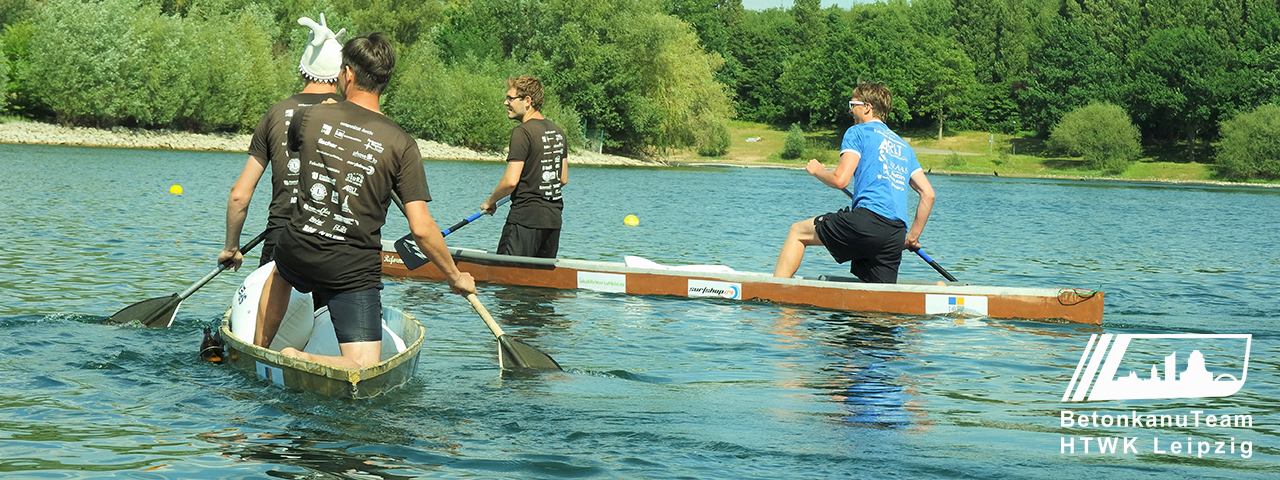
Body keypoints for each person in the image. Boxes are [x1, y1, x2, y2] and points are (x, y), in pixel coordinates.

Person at [256, 32, 476, 368]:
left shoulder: (307, 117)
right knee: (363, 367)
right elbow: (421, 228)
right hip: (351, 269)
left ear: (347, 74)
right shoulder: (402, 144)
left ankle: (260, 349)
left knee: (281, 270)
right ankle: (299, 357)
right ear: (384, 81)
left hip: (298, 248)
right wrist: (454, 275)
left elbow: (300, 147)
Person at [773, 82, 935, 283]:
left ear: (867, 107)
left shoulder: (857, 132)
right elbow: (928, 194)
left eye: (853, 104)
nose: (850, 110)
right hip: (895, 233)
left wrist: (818, 171)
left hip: (868, 223)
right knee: (876, 303)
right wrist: (912, 237)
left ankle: (774, 290)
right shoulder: (903, 146)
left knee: (797, 232)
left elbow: (840, 180)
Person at [219, 15, 346, 271]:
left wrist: (231, 247)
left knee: (271, 311)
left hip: (282, 237)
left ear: (303, 69)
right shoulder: (356, 116)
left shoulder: (275, 113)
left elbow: (239, 195)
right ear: (343, 73)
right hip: (338, 246)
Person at [480, 75, 568, 258]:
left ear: (527, 101)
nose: (506, 103)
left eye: (510, 98)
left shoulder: (522, 132)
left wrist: (491, 201)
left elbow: (510, 182)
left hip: (524, 220)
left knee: (508, 280)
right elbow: (562, 179)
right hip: (553, 222)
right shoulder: (558, 132)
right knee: (537, 284)